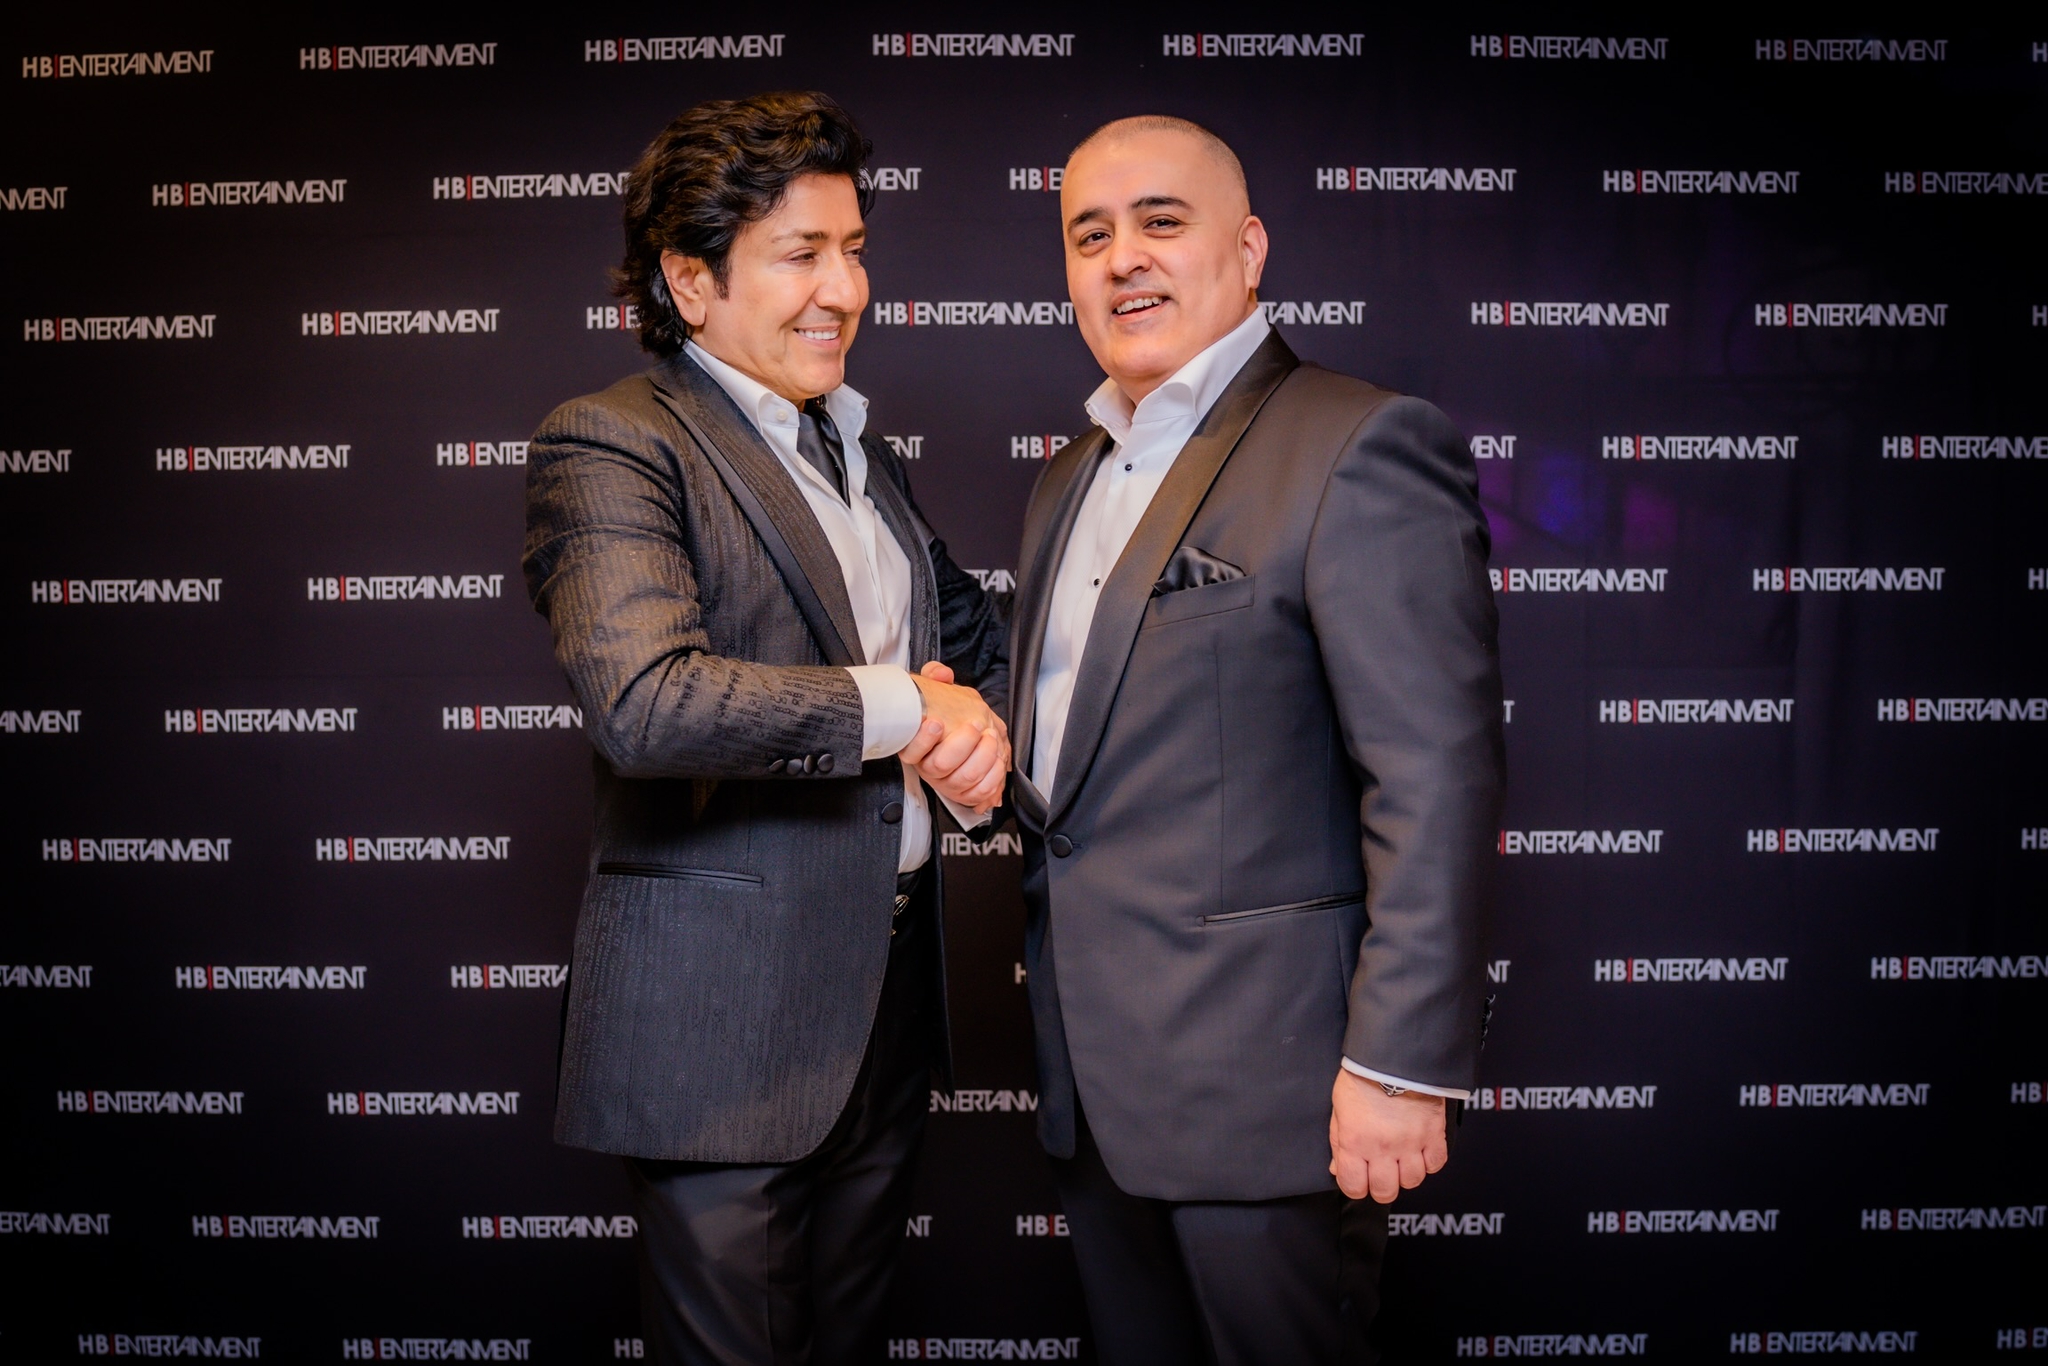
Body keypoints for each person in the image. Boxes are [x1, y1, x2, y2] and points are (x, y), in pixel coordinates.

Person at [1002, 115, 1504, 1362]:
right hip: (1096, 1092)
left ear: (1248, 247)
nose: (1122, 257)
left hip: (1276, 1092)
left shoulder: (1358, 442)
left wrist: (1398, 1065)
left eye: (1160, 222)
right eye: (1088, 235)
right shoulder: (1066, 477)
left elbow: (1432, 778)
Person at [520, 91, 1010, 1365]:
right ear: (689, 280)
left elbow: (980, 649)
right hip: (720, 1029)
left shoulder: (861, 454)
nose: (843, 289)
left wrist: (982, 727)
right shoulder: (614, 440)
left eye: (854, 249)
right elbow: (648, 702)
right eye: (800, 254)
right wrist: (910, 707)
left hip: (881, 1006)